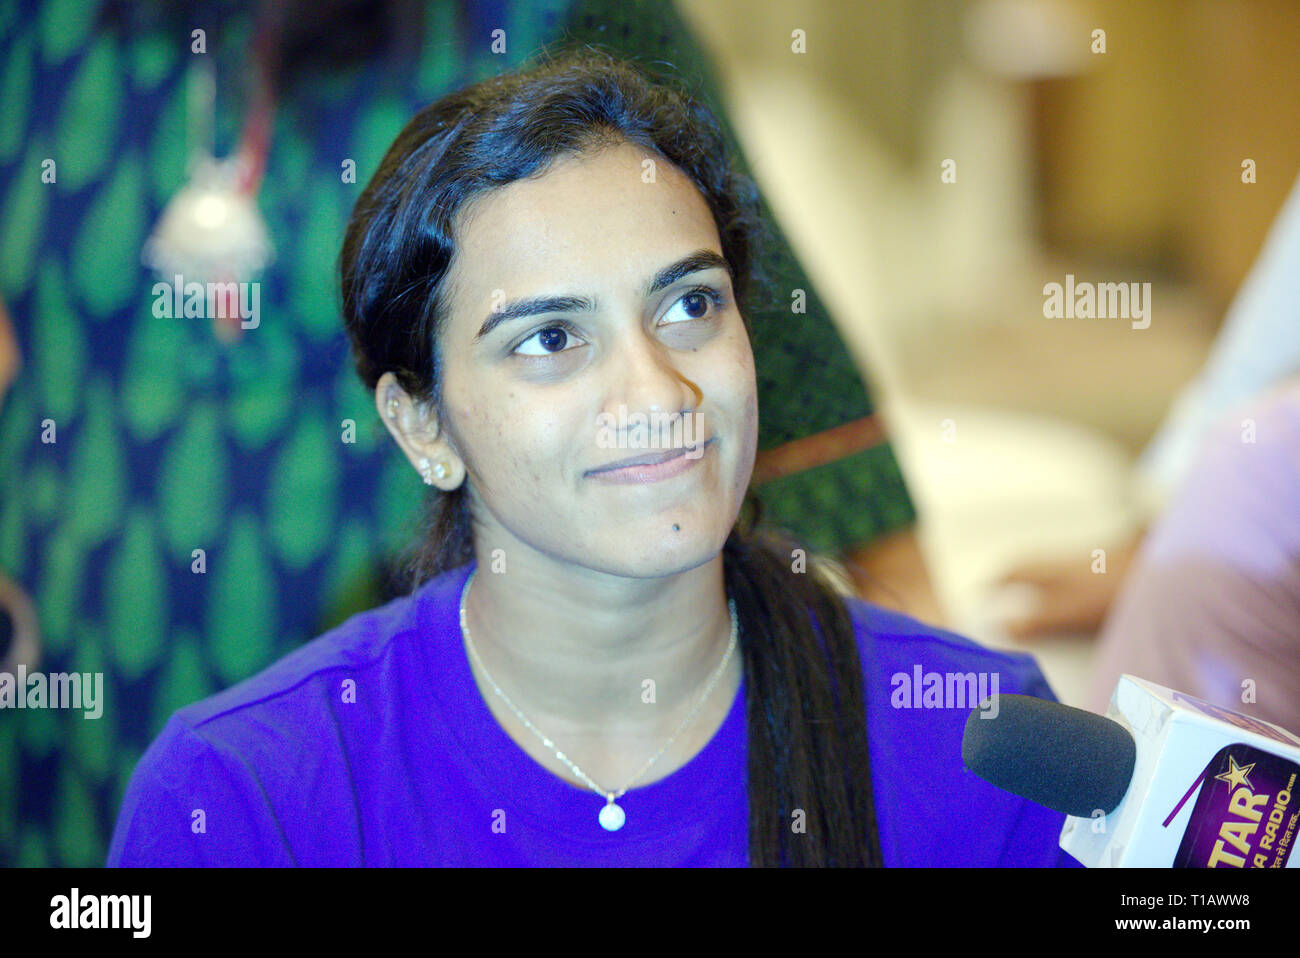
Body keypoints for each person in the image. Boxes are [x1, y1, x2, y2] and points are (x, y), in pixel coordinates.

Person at [107, 47, 1075, 867]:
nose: (658, 392)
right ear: (421, 427)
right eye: (551, 340)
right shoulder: (246, 798)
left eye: (689, 306)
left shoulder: (981, 747)